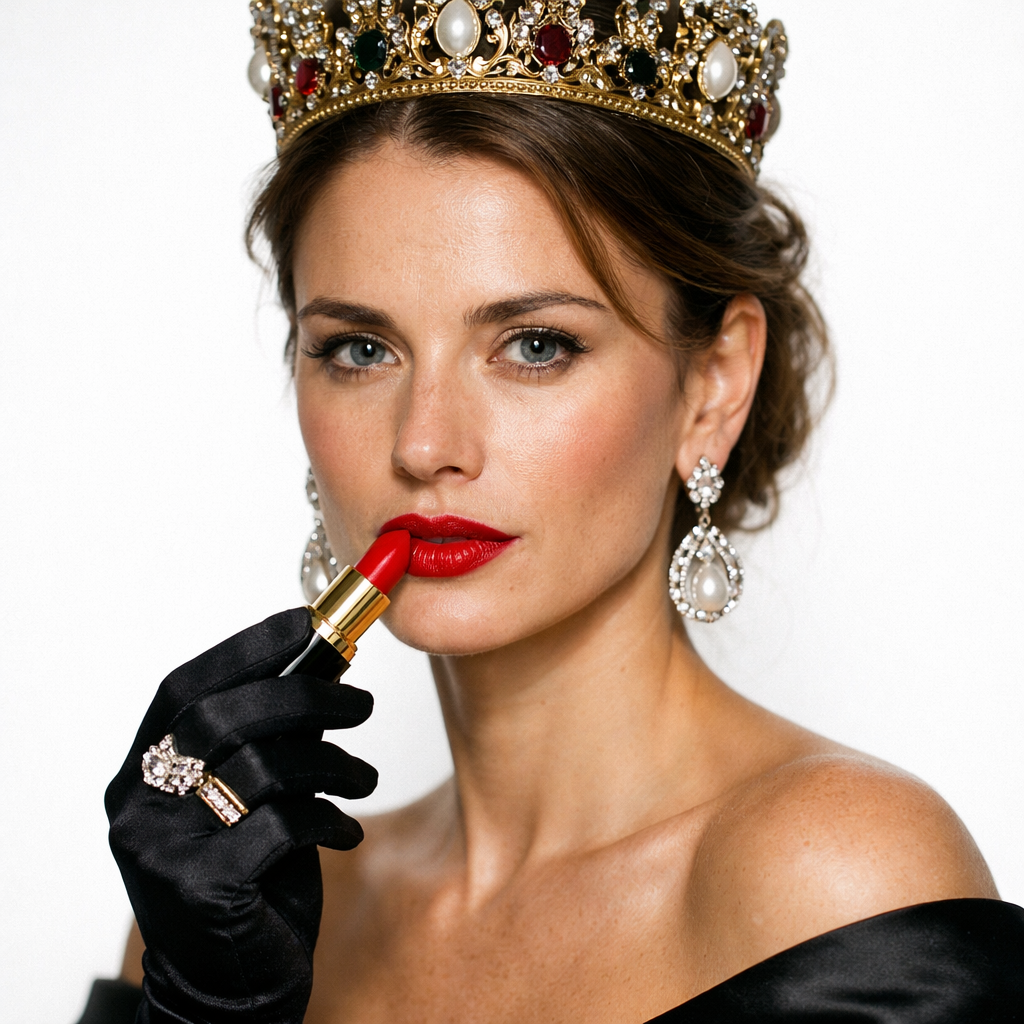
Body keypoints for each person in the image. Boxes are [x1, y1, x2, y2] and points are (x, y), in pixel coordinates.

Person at [79, 0, 1024, 1021]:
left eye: (535, 346)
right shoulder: (235, 919)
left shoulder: (835, 878)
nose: (424, 444)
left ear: (713, 385)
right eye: (360, 349)